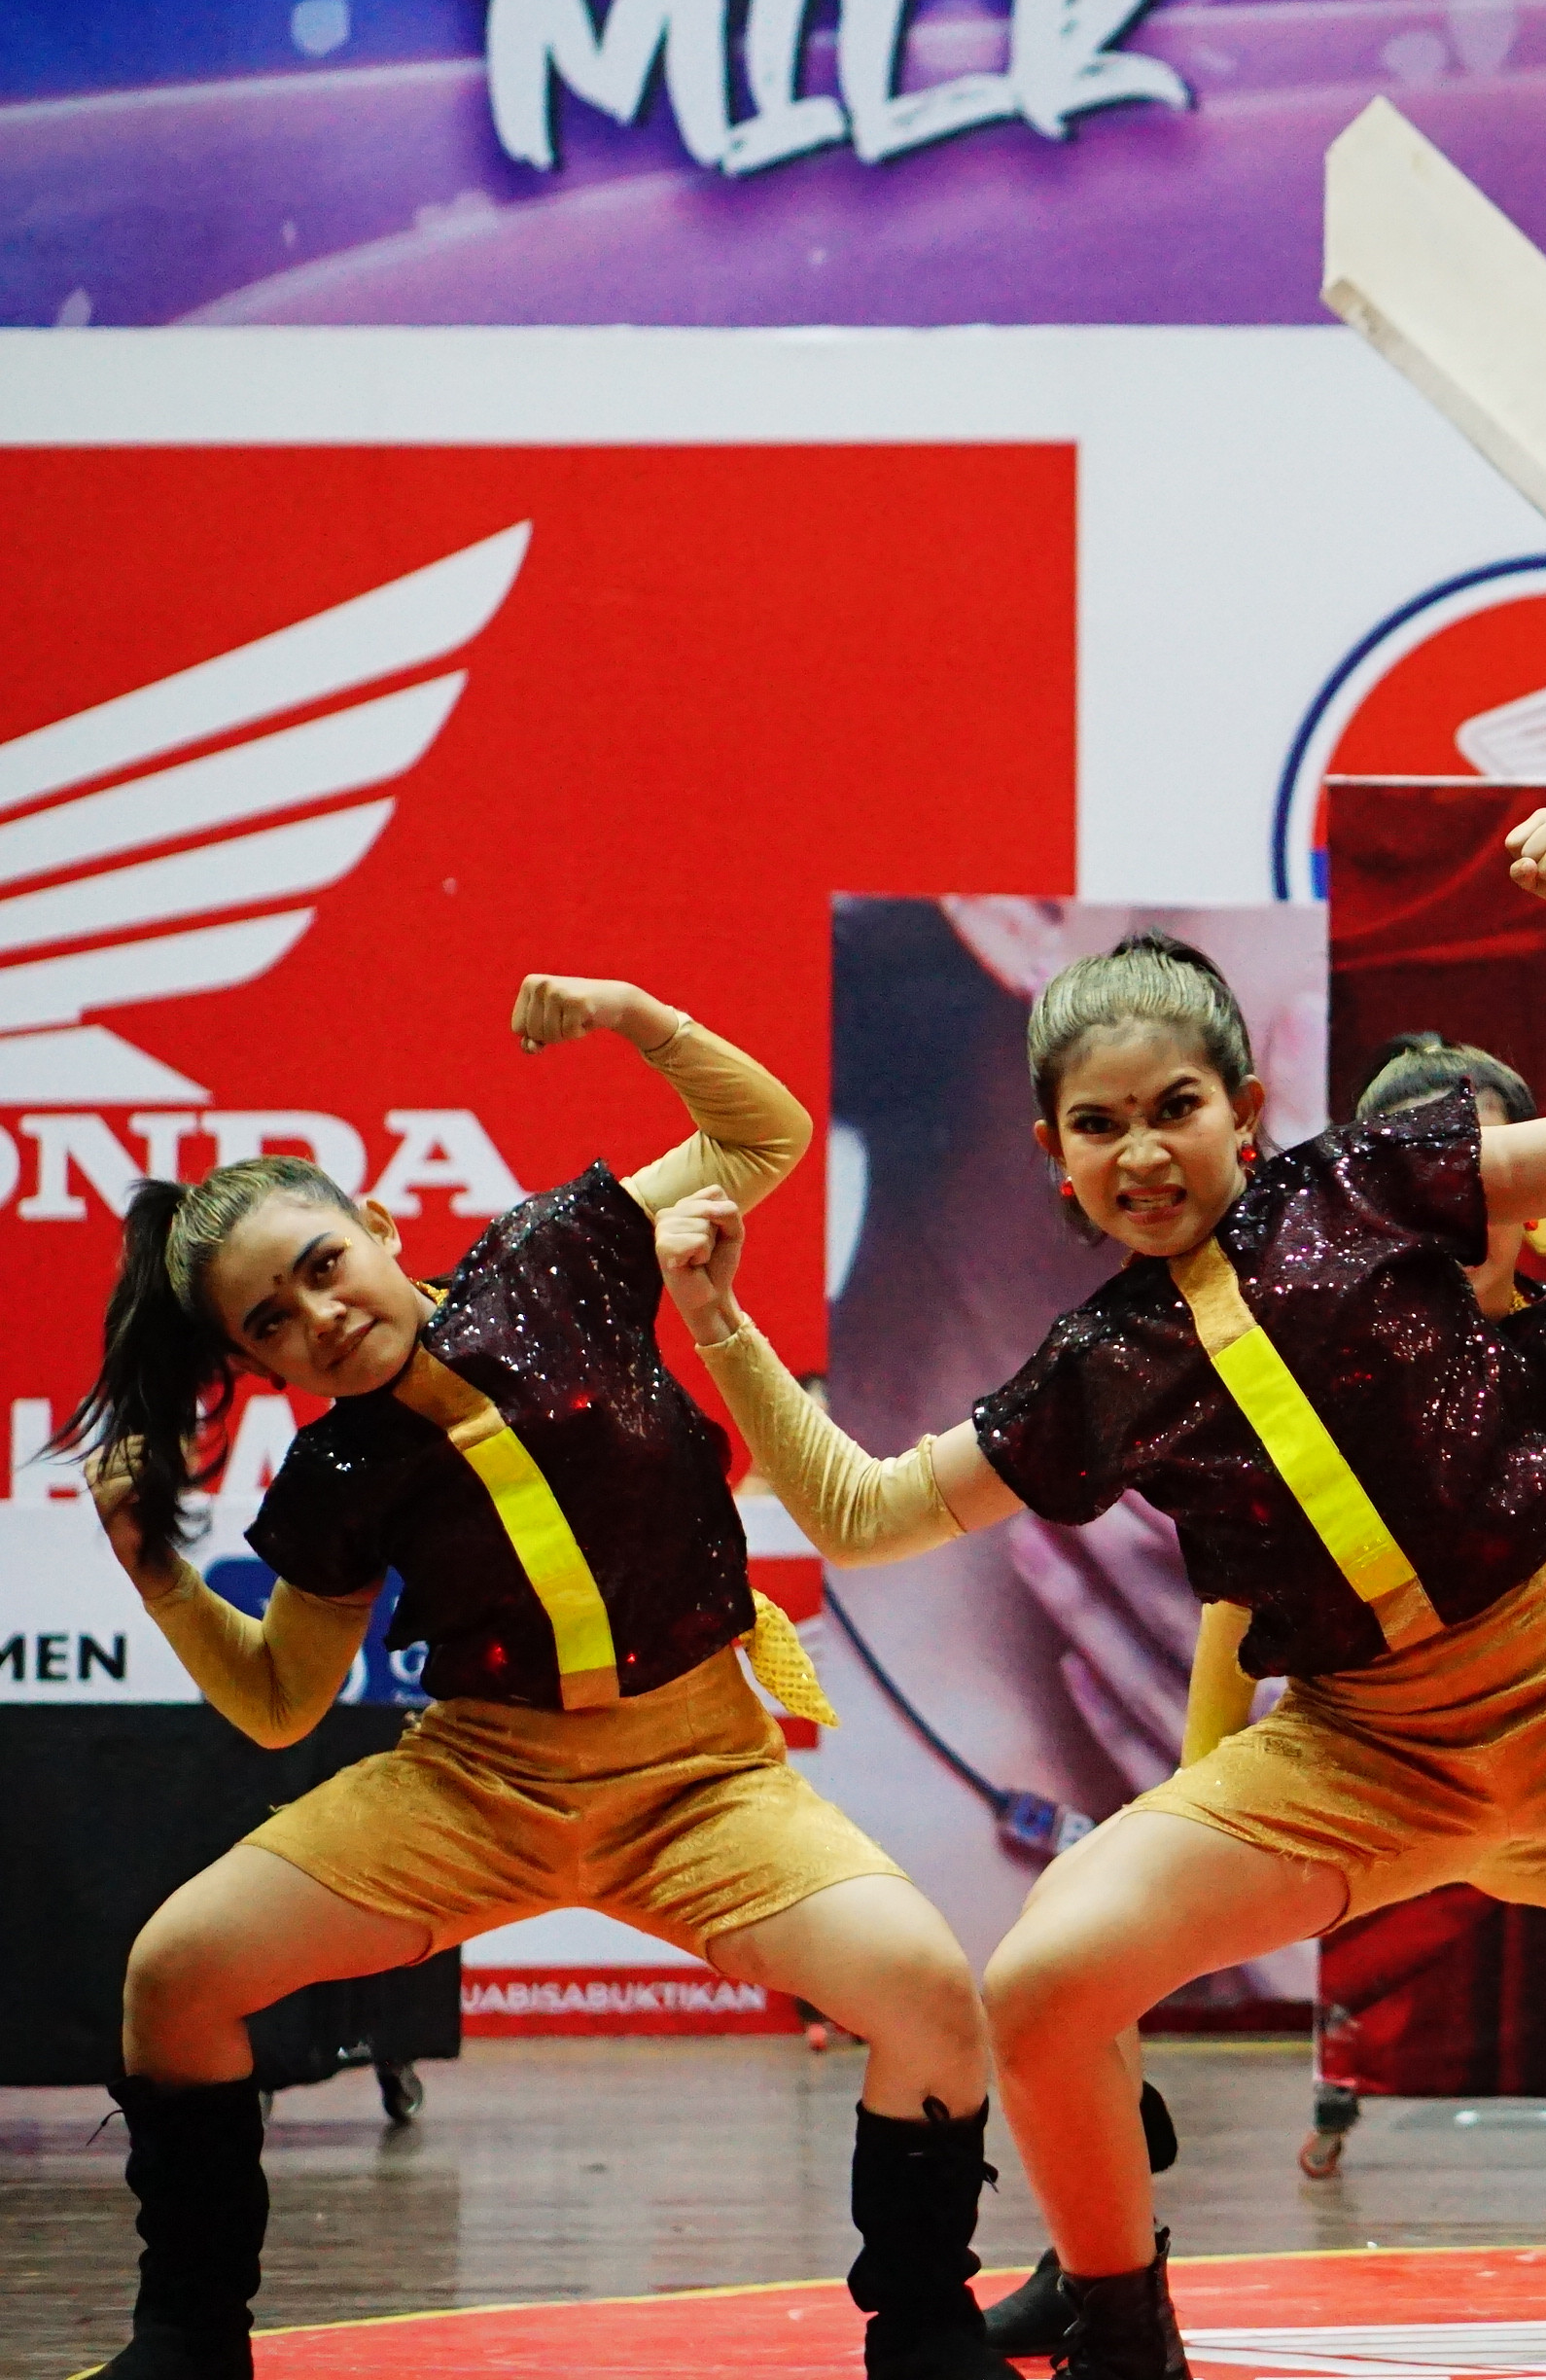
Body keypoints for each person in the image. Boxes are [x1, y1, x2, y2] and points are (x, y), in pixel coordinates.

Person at [666, 814, 1546, 2380]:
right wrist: (718, 1321)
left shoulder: (1375, 1184)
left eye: (1176, 1108)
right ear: (1057, 1157)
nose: (1143, 1152)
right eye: (1100, 1126)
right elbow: (857, 1511)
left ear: (1246, 1112)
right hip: (1360, 1754)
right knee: (1040, 1986)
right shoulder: (1097, 1368)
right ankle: (1124, 2334)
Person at [70, 977, 1004, 2380]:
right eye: (271, 1321)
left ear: (381, 1226)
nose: (319, 1315)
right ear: (255, 1363)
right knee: (175, 1973)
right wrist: (159, 1578)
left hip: (705, 1784)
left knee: (927, 1987)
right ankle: (188, 2335)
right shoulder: (332, 1475)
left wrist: (632, 1013)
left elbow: (766, 1134)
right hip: (480, 1790)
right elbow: (279, 1703)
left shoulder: (558, 1255)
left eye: (323, 1264)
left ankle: (927, 2330)